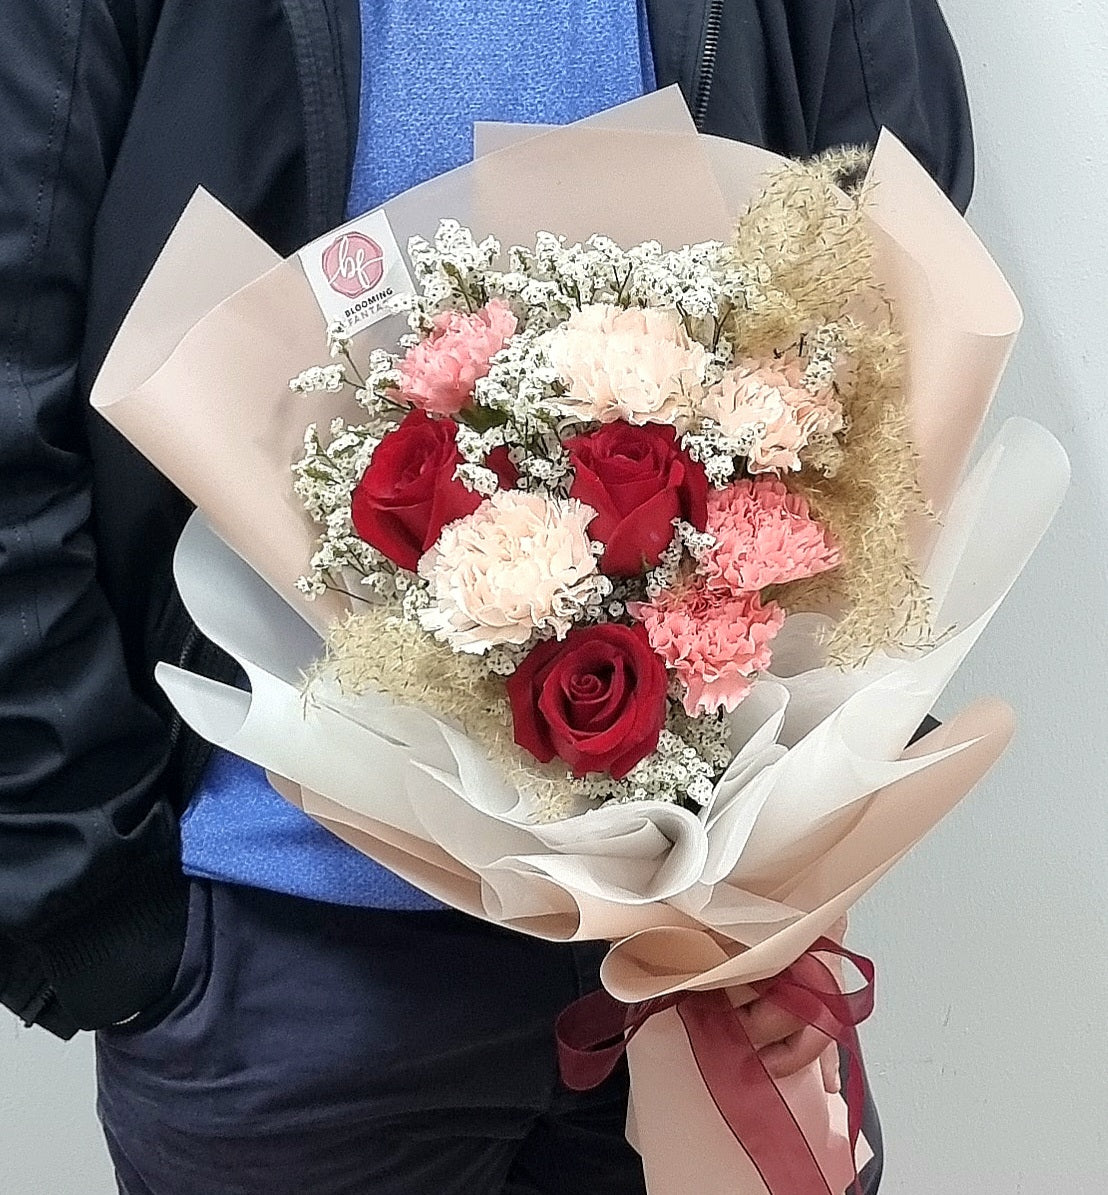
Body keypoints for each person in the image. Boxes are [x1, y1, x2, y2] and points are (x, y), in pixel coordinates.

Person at [0, 2, 972, 1192]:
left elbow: (897, 312)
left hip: (711, 950)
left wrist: (809, 859)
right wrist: (90, 909)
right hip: (283, 964)